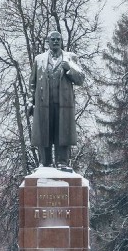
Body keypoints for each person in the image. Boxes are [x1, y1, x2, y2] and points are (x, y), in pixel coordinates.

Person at [28, 30, 85, 170]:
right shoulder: (39, 59)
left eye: (58, 39)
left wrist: (69, 68)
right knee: (44, 132)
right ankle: (45, 162)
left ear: (61, 41)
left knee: (63, 132)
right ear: (48, 41)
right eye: (52, 39)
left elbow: (81, 79)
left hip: (63, 104)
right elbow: (32, 83)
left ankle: (62, 162)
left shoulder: (70, 58)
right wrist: (31, 101)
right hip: (43, 103)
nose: (55, 41)